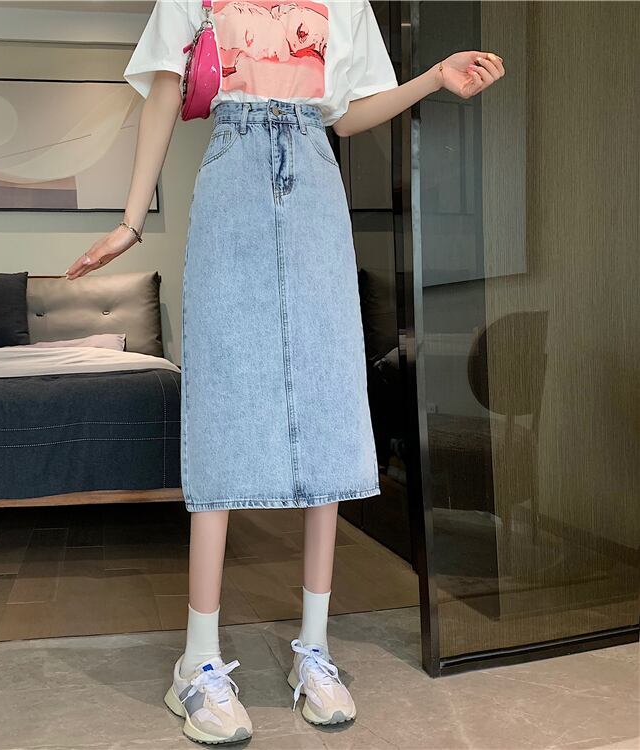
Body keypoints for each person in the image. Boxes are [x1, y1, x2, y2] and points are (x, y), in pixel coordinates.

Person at [66, 0, 504, 744]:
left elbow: (347, 115)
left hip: (315, 184)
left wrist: (433, 78)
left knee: (325, 398)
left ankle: (315, 651)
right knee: (224, 401)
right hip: (231, 178)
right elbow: (167, 91)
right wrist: (131, 221)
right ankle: (198, 662)